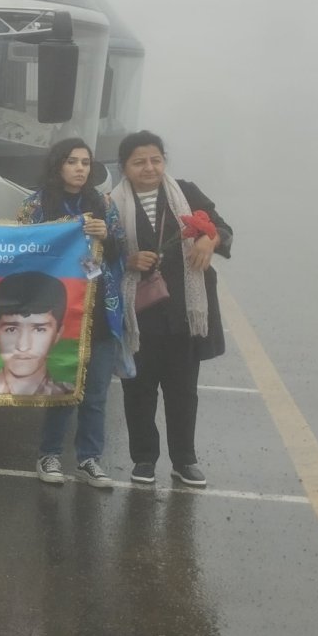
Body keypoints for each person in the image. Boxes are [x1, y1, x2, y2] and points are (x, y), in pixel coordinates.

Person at [109, 130, 232, 489]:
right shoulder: (110, 203)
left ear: (164, 161)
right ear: (125, 167)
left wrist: (209, 239)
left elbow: (223, 228)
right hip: (138, 314)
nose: (149, 168)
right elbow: (95, 252)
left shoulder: (186, 192)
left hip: (183, 311)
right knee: (139, 389)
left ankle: (185, 460)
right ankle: (144, 459)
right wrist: (128, 259)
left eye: (156, 160)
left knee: (183, 390)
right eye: (139, 162)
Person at [17, 138, 128, 489]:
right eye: (72, 161)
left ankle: (89, 460)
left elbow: (120, 253)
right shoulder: (35, 206)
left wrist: (106, 236)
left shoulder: (104, 204)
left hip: (99, 309)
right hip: (56, 309)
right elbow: (19, 251)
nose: (80, 168)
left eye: (85, 162)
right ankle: (49, 455)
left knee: (96, 393)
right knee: (61, 387)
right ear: (58, 165)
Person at [0, 272, 74, 396]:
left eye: (39, 330)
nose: (23, 346)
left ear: (58, 334)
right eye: (11, 329)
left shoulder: (68, 396)